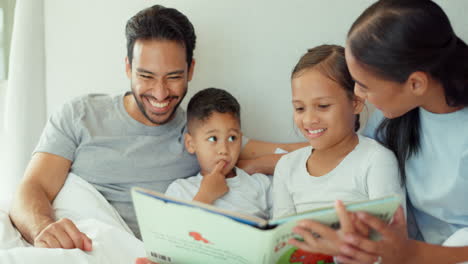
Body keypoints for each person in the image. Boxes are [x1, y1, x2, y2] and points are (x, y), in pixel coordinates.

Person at [9, 5, 305, 251]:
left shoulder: (202, 133)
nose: (161, 93)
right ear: (128, 68)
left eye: (174, 77)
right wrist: (44, 229)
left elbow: (299, 151)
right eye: (146, 76)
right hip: (83, 246)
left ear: (191, 69)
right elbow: (31, 190)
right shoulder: (80, 115)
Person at [291, 1, 468, 263]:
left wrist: (408, 254)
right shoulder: (395, 118)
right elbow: (337, 148)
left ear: (415, 83)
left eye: (363, 86)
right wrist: (254, 154)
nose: (358, 95)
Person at [272, 45, 404, 259]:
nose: (308, 119)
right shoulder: (287, 167)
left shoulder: (375, 160)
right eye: (299, 108)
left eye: (322, 106)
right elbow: (282, 241)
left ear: (356, 102)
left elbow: (394, 245)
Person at [165, 87, 271, 219]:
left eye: (232, 138)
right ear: (191, 144)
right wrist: (205, 196)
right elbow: (176, 234)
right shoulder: (180, 191)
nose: (224, 150)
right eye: (213, 138)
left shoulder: (260, 185)